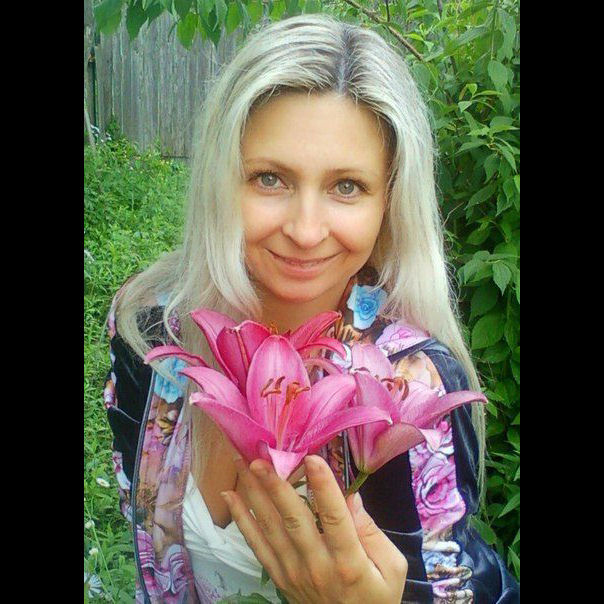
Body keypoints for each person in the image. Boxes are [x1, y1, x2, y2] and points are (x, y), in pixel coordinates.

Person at [103, 13, 520, 604]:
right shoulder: (148, 330)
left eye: (347, 186)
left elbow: (452, 584)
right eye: (269, 178)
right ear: (220, 180)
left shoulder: (409, 384)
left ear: (389, 203)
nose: (304, 231)